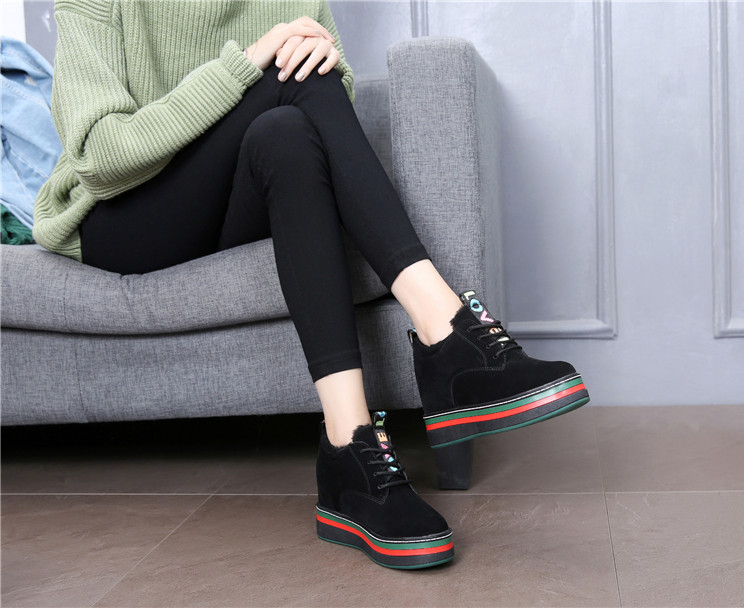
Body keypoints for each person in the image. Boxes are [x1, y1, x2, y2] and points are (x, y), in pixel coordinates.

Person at [34, 0, 590, 570]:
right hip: (125, 220)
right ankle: (447, 332)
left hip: (230, 200)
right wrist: (245, 65)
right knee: (289, 72)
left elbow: (325, 126)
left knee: (288, 123)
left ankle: (349, 449)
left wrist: (308, 66)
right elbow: (101, 157)